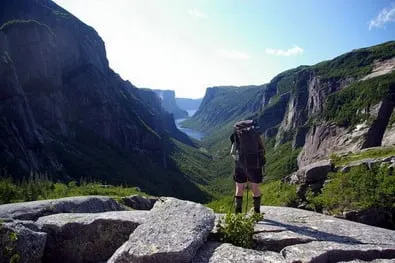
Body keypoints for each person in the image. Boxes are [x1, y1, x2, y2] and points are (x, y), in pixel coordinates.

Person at [230, 120, 265, 214]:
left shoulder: (236, 134)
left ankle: (238, 213)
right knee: (255, 188)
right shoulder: (257, 134)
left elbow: (232, 152)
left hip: (240, 164)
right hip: (255, 163)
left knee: (239, 188)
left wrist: (238, 160)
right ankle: (257, 213)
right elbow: (262, 148)